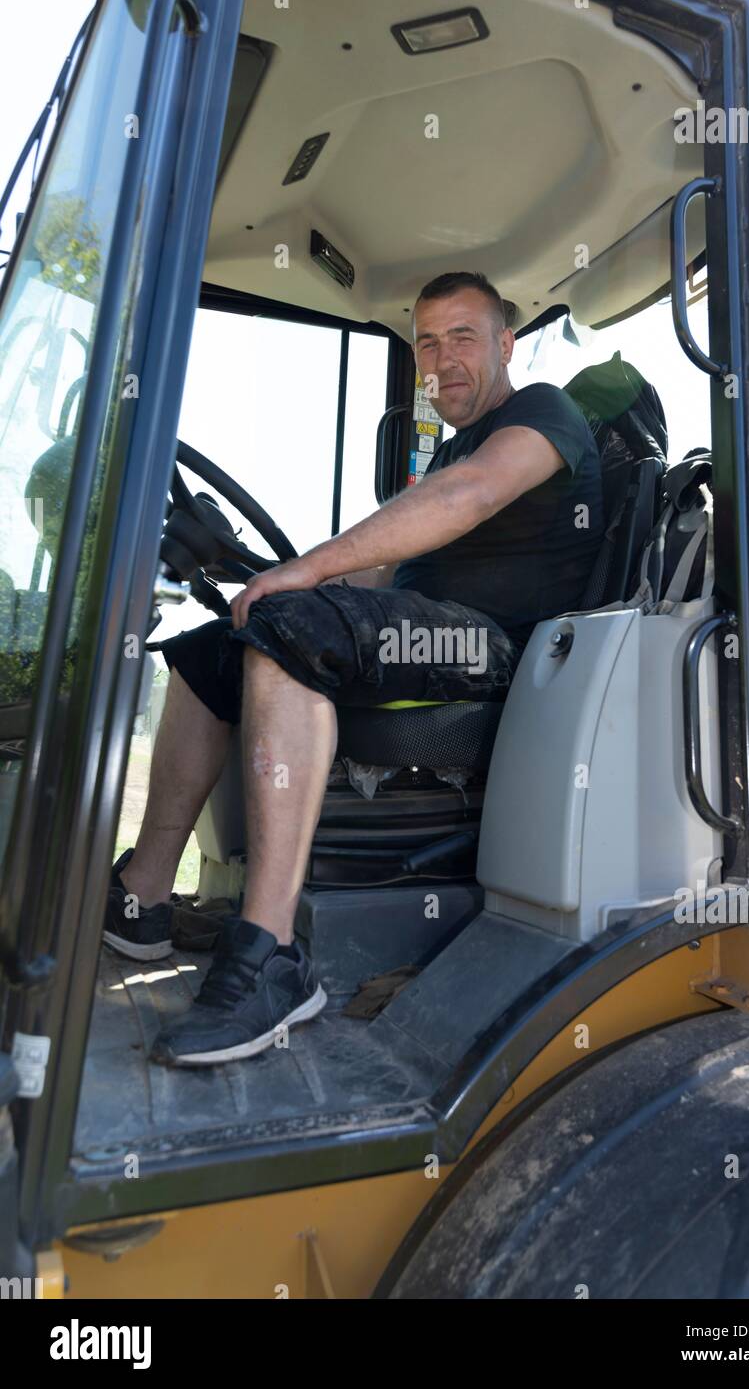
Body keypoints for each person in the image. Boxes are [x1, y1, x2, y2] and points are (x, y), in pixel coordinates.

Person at [105, 270, 603, 1067]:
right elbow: (384, 574)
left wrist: (304, 578)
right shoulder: (450, 449)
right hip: (428, 631)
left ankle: (270, 955)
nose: (442, 360)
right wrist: (278, 581)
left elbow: (472, 495)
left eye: (463, 337)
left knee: (296, 632)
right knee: (213, 650)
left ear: (507, 344)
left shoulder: (542, 413)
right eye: (427, 343)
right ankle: (145, 895)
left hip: (492, 650)